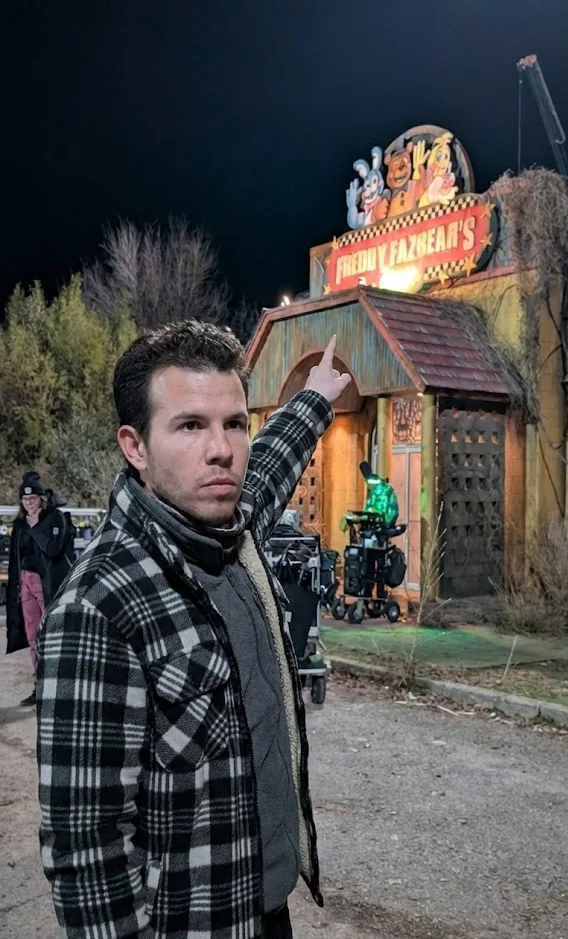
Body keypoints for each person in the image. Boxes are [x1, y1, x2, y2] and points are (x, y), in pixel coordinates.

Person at [36, 320, 351, 939]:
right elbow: (88, 853)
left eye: (234, 424)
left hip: (267, 909)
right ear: (135, 446)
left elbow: (271, 465)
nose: (221, 450)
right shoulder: (99, 604)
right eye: (189, 426)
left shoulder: (233, 532)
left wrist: (314, 397)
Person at [6, 470, 75, 706]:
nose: (29, 503)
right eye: (25, 499)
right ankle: (39, 686)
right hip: (25, 581)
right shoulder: (19, 524)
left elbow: (53, 550)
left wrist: (36, 527)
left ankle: (58, 684)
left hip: (47, 583)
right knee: (33, 634)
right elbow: (16, 558)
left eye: (33, 498)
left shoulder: (55, 519)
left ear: (42, 499)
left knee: (51, 634)